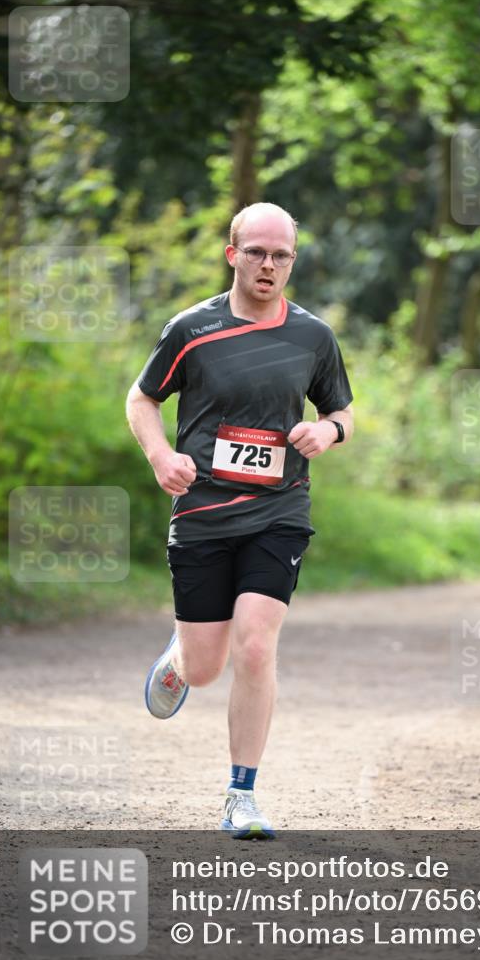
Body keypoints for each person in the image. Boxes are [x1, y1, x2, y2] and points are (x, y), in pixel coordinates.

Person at [125, 202, 354, 839]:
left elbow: (344, 412)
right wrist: (160, 454)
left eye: (281, 255)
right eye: (256, 251)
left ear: (292, 263)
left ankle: (241, 795)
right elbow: (142, 397)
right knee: (205, 667)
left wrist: (326, 431)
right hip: (202, 514)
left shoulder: (313, 336)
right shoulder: (193, 329)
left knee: (255, 644)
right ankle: (179, 660)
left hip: (278, 512)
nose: (269, 265)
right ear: (233, 254)